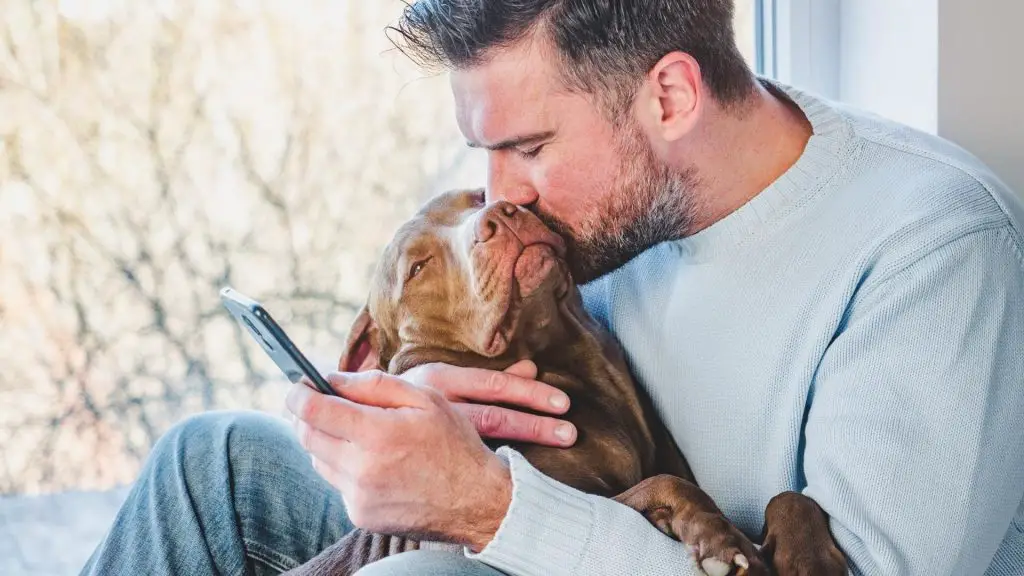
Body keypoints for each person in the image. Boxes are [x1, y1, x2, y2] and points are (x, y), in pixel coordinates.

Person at [81, 1, 1024, 575]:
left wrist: (490, 507)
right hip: (552, 508)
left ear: (670, 97)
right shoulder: (612, 201)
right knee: (213, 466)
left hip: (576, 542)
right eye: (483, 151)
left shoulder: (929, 249)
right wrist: (431, 403)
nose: (502, 193)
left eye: (527, 147)